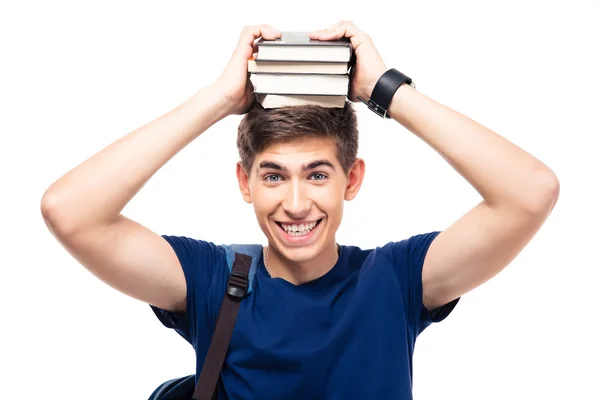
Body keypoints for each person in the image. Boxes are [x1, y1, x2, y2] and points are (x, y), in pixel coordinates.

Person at [40, 21, 560, 399]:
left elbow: (531, 192)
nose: (294, 204)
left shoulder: (396, 279)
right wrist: (220, 98)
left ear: (351, 180)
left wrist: (385, 90)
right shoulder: (210, 281)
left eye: (317, 174)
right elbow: (69, 211)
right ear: (245, 183)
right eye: (273, 176)